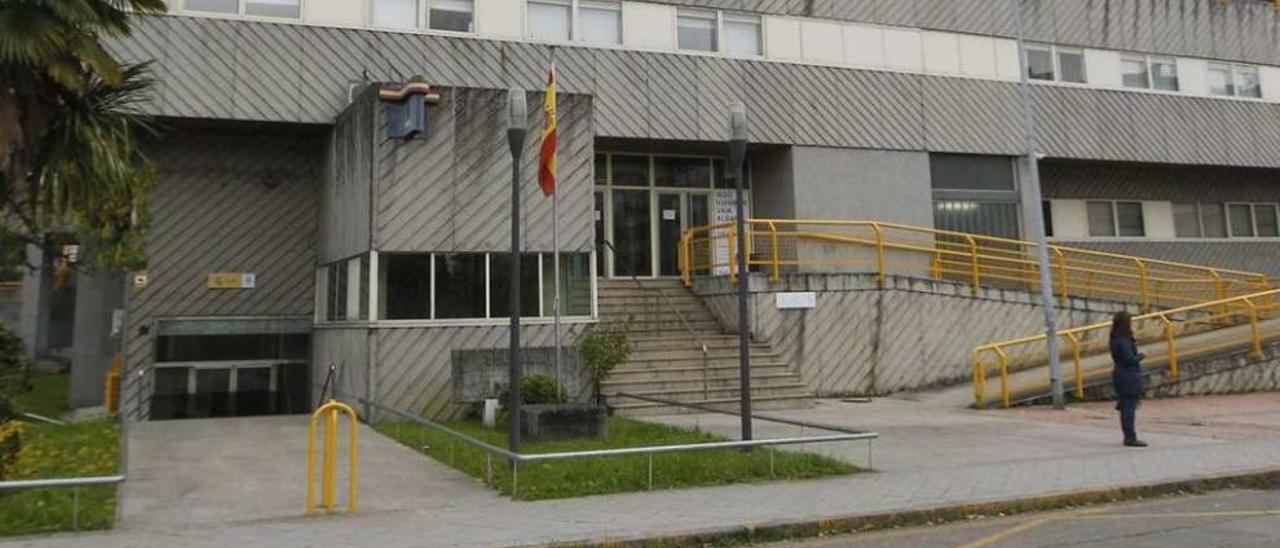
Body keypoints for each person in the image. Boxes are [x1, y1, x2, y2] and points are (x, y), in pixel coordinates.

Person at [1109, 312, 1147, 447]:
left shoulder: (1114, 338)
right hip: (1128, 375)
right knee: (1129, 407)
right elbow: (1129, 359)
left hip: (1119, 374)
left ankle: (1128, 436)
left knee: (1125, 405)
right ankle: (1130, 437)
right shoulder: (1123, 340)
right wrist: (1140, 356)